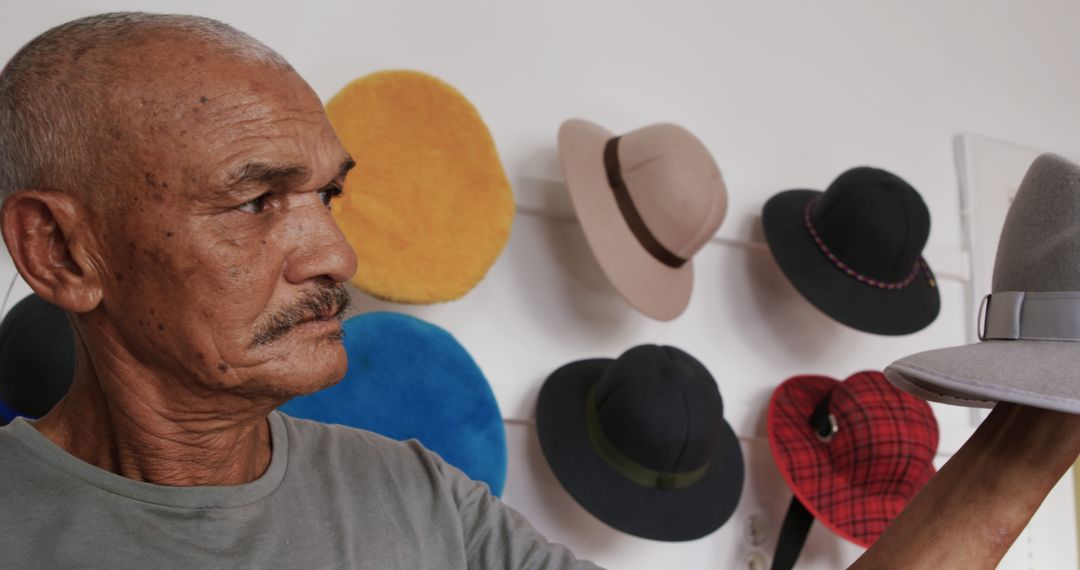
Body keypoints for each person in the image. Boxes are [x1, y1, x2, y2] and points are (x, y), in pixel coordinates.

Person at [0, 12, 1076, 570]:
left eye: (327, 194)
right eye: (256, 202)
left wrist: (1034, 430)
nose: (334, 254)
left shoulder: (418, 501)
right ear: (61, 252)